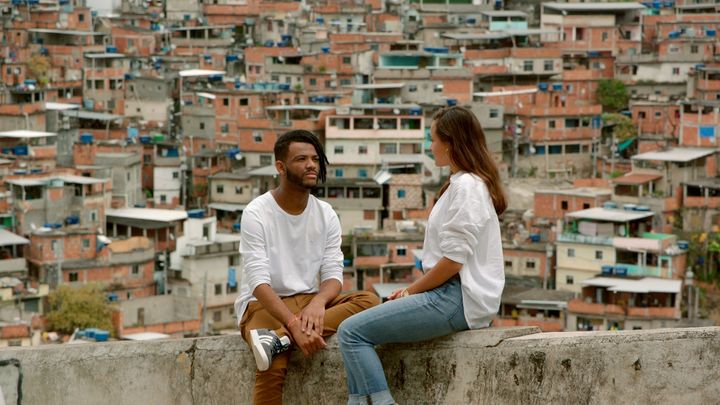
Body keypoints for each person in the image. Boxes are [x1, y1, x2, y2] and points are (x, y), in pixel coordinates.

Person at [337, 106, 507, 405]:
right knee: (357, 332)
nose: (431, 147)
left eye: (433, 140)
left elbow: (454, 261)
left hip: (456, 297)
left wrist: (409, 291)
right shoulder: (462, 184)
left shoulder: (467, 187)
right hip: (453, 296)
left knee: (351, 332)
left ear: (451, 142)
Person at [236, 130, 380, 405]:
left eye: (315, 158)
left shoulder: (325, 213)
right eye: (301, 159)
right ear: (281, 167)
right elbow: (258, 281)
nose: (312, 165)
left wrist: (318, 303)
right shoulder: (256, 213)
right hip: (263, 304)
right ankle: (280, 341)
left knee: (369, 301)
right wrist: (293, 323)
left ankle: (279, 339)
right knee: (271, 365)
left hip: (307, 301)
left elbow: (333, 274)